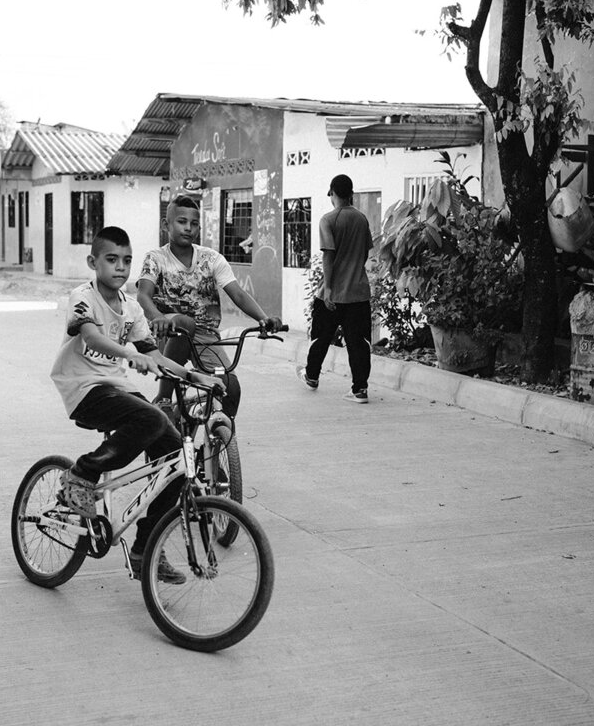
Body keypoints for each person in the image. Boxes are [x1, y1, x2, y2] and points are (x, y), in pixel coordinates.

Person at [50, 225, 223, 583]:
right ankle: (82, 472)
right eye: (111, 260)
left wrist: (198, 377)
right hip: (84, 387)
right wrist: (129, 354)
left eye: (127, 261)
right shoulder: (82, 297)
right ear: (92, 261)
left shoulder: (131, 308)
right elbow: (91, 335)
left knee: (177, 457)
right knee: (150, 419)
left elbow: (155, 356)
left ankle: (145, 549)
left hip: (118, 388)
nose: (120, 267)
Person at [137, 195, 281, 417]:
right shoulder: (155, 258)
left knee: (229, 386)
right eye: (181, 222)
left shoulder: (211, 258)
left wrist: (263, 319)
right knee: (184, 323)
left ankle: (218, 437)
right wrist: (157, 317)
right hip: (168, 331)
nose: (188, 228)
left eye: (194, 224)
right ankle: (164, 397)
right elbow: (143, 295)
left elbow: (238, 294)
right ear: (167, 225)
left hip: (205, 335)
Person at [298, 174, 374, 403]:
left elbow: (328, 255)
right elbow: (365, 252)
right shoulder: (362, 219)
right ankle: (360, 389)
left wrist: (329, 289)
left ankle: (311, 376)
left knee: (320, 337)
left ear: (332, 192)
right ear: (351, 193)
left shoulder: (328, 220)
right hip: (358, 293)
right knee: (358, 343)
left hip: (332, 293)